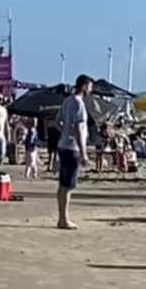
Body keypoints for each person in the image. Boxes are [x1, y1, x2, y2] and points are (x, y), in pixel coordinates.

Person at [54, 74, 93, 230]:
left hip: (64, 145)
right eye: (90, 86)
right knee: (68, 185)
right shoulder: (78, 103)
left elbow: (57, 121)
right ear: (84, 86)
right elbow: (78, 129)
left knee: (64, 184)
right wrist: (83, 153)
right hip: (72, 148)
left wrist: (65, 132)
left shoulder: (67, 101)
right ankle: (63, 219)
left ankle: (62, 218)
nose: (91, 90)